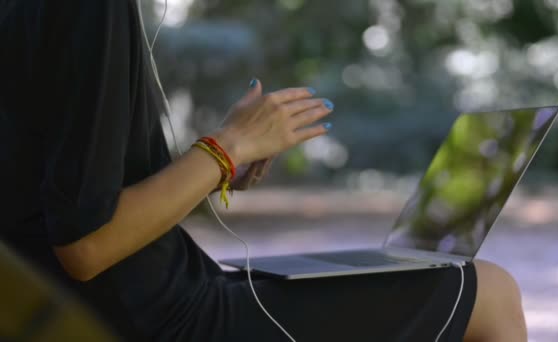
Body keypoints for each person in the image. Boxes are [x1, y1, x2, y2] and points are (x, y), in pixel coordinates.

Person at [0, 1, 527, 341]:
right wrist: (224, 149)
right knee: (490, 292)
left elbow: (61, 187)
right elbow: (86, 245)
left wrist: (218, 167)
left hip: (165, 295)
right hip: (164, 320)